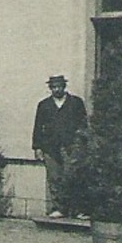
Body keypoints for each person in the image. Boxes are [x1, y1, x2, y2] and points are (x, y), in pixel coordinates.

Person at [32, 73, 89, 218]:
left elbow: (84, 124)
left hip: (72, 146)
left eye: (59, 87)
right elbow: (38, 127)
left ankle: (78, 209)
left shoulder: (76, 103)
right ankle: (59, 208)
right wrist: (37, 147)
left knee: (73, 176)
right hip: (50, 147)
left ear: (64, 87)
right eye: (53, 87)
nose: (56, 90)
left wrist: (81, 143)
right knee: (54, 177)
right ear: (50, 89)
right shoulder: (44, 105)